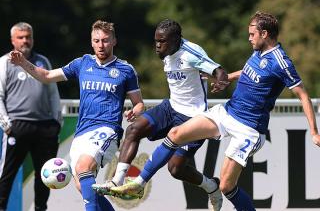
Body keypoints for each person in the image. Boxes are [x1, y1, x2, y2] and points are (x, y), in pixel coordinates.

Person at [108, 11, 320, 211]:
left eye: (252, 34)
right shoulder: (258, 52)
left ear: (265, 34)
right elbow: (246, 72)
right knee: (175, 134)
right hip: (227, 113)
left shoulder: (281, 62)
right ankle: (138, 183)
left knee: (227, 187)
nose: (249, 38)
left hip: (249, 129)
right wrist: (225, 78)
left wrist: (314, 131)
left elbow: (302, 95)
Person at [92, 19, 229, 210]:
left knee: (176, 169)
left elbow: (219, 70)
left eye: (162, 41)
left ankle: (211, 186)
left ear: (176, 40)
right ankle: (117, 181)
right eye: (156, 40)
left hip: (193, 118)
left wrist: (221, 81)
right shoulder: (166, 50)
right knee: (134, 129)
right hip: (171, 108)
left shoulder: (191, 53)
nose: (157, 46)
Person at [9, 20, 144, 211]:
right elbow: (47, 76)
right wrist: (23, 62)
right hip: (82, 133)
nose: (101, 45)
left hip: (107, 129)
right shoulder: (82, 63)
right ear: (91, 42)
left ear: (114, 41)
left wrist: (134, 112)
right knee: (83, 186)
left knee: (83, 167)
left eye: (105, 40)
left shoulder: (125, 70)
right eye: (96, 40)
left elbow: (139, 104)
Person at [0, 22, 62, 211]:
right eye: (20, 37)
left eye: (28, 37)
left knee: (45, 174)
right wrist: (6, 124)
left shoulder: (43, 61)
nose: (25, 40)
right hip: (17, 125)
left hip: (44, 127)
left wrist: (57, 122)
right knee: (7, 173)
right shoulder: (4, 62)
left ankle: (40, 209)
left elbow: (53, 93)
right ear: (12, 40)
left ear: (33, 39)